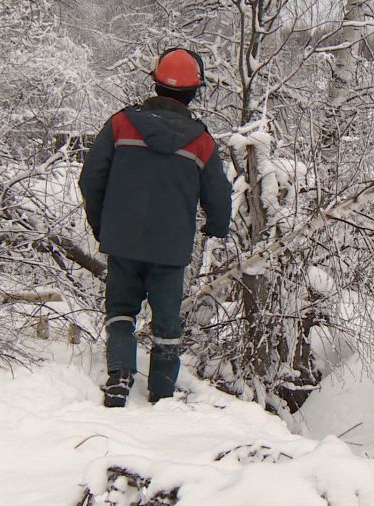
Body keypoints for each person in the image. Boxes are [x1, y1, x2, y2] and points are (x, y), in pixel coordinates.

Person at [79, 48, 232, 407]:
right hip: (170, 247)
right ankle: (162, 394)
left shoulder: (120, 124)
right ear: (194, 91)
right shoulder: (201, 140)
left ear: (156, 84)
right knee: (166, 323)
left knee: (120, 310)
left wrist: (104, 226)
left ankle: (119, 378)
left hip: (123, 239)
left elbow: (91, 179)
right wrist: (217, 229)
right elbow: (219, 197)